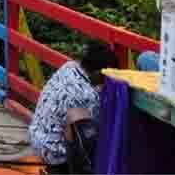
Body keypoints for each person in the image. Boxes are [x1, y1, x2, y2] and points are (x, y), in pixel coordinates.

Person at [28, 40, 117, 174]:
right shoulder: (87, 95)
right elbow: (89, 133)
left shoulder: (68, 67)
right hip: (55, 153)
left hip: (36, 136)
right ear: (100, 72)